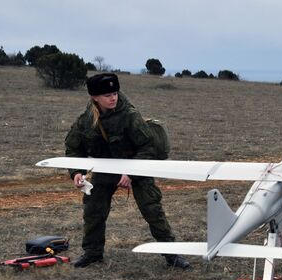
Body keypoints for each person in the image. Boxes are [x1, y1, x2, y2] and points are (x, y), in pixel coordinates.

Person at [64, 73, 190, 269]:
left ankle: (172, 255)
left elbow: (147, 146)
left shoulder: (129, 115)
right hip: (106, 170)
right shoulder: (86, 119)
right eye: (107, 95)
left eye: (115, 93)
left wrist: (131, 173)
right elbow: (73, 148)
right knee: (93, 210)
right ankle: (93, 253)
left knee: (152, 210)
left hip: (136, 167)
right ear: (94, 97)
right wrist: (76, 172)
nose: (113, 98)